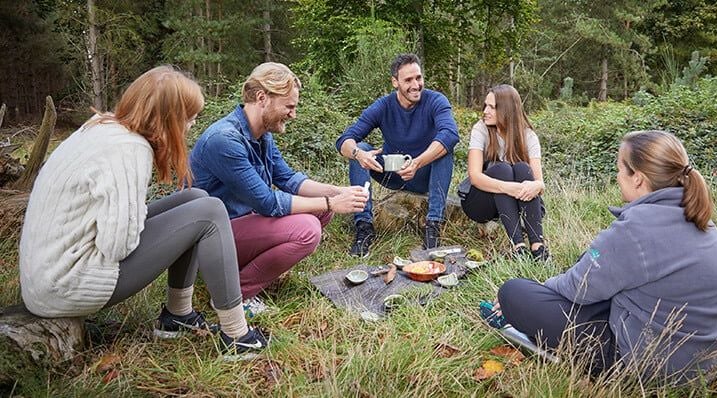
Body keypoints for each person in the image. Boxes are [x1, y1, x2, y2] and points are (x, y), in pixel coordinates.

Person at [19, 66, 268, 361]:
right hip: (65, 284)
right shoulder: (130, 149)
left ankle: (178, 315)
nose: (190, 127)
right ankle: (238, 337)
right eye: (188, 119)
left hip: (46, 276)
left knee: (196, 198)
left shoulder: (103, 127)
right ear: (168, 119)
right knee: (210, 211)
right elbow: (117, 245)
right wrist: (143, 222)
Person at [489, 130, 717, 384]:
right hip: (710, 358)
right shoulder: (701, 219)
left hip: (653, 365)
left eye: (620, 169)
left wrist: (541, 289)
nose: (617, 176)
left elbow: (577, 287)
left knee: (513, 293)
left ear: (638, 179)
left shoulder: (636, 229)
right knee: (588, 271)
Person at [190, 62, 368, 314]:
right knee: (307, 230)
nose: (293, 114)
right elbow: (267, 203)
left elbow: (288, 179)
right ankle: (233, 295)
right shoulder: (224, 140)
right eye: (289, 106)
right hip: (209, 240)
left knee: (321, 210)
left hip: (239, 226)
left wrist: (336, 192)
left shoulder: (262, 134)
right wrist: (330, 202)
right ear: (262, 98)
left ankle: (255, 271)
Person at [336, 53, 459, 257]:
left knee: (445, 150)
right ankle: (364, 227)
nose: (416, 85)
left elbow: (450, 134)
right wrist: (359, 154)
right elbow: (344, 140)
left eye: (418, 78)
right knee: (361, 147)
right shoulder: (383, 106)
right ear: (395, 82)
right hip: (392, 173)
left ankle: (433, 225)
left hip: (423, 175)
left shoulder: (436, 101)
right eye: (408, 80)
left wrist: (418, 163)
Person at [459, 84, 549, 261]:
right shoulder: (481, 129)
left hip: (512, 202)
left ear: (507, 110)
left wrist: (535, 186)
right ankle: (518, 246)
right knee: (502, 169)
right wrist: (509, 188)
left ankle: (538, 247)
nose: (485, 111)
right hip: (480, 203)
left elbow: (540, 183)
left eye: (492, 107)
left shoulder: (528, 136)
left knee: (523, 168)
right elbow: (475, 177)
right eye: (485, 105)